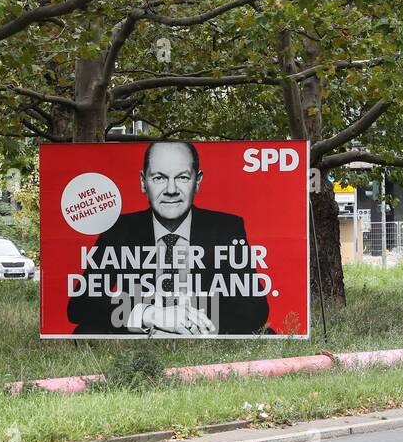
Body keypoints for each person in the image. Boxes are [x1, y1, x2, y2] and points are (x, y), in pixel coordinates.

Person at [66, 140, 269, 335]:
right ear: (143, 182)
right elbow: (81, 305)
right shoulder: (119, 229)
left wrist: (189, 321)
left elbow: (255, 309)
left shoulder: (226, 228)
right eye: (159, 178)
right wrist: (151, 314)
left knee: (266, 334)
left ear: (197, 182)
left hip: (202, 332)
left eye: (182, 177)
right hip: (142, 333)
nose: (171, 190)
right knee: (85, 331)